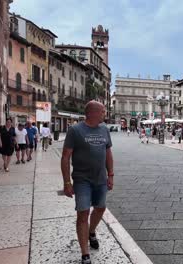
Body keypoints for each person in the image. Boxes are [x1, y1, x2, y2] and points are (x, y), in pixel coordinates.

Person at [61, 101, 114, 264]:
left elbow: (108, 153)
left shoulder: (104, 129)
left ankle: (92, 232)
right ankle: (85, 254)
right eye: (103, 111)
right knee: (83, 213)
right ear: (92, 113)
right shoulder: (75, 130)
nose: (104, 114)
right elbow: (65, 157)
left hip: (101, 179)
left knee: (100, 208)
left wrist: (110, 174)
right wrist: (67, 182)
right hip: (81, 180)